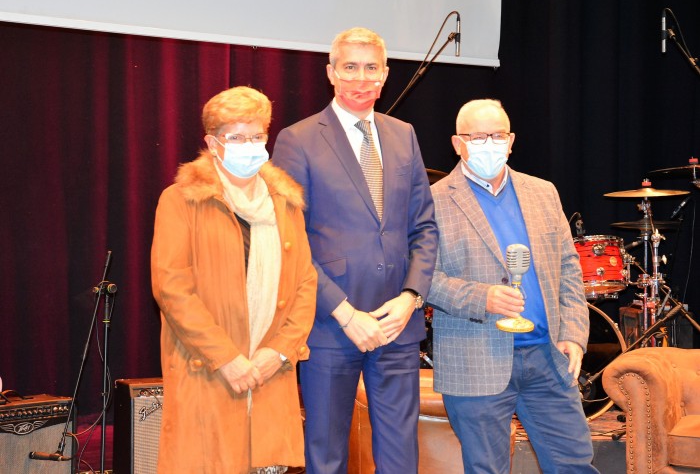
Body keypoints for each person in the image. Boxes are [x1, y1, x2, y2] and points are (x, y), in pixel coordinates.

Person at [272, 27, 438, 474]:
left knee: (400, 457)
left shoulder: (403, 134)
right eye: (350, 67)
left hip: (397, 327)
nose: (361, 79)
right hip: (331, 327)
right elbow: (290, 242)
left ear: (385, 75)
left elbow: (424, 226)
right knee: (325, 456)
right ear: (331, 73)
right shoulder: (298, 139)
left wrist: (410, 299)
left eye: (371, 68)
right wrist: (345, 313)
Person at [150, 86, 317, 474]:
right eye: (236, 137)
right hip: (208, 370)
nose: (249, 145)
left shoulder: (286, 203)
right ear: (212, 143)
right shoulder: (180, 199)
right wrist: (226, 358)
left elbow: (305, 284)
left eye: (256, 136)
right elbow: (171, 288)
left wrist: (277, 352)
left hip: (269, 371)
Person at [427, 99, 598, 473]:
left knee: (575, 465)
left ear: (511, 140)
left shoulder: (542, 192)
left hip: (548, 357)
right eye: (477, 136)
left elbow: (569, 267)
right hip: (475, 360)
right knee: (487, 468)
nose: (489, 143)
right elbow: (423, 278)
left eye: (498, 135)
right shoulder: (431, 200)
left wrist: (573, 333)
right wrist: (481, 297)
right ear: (458, 143)